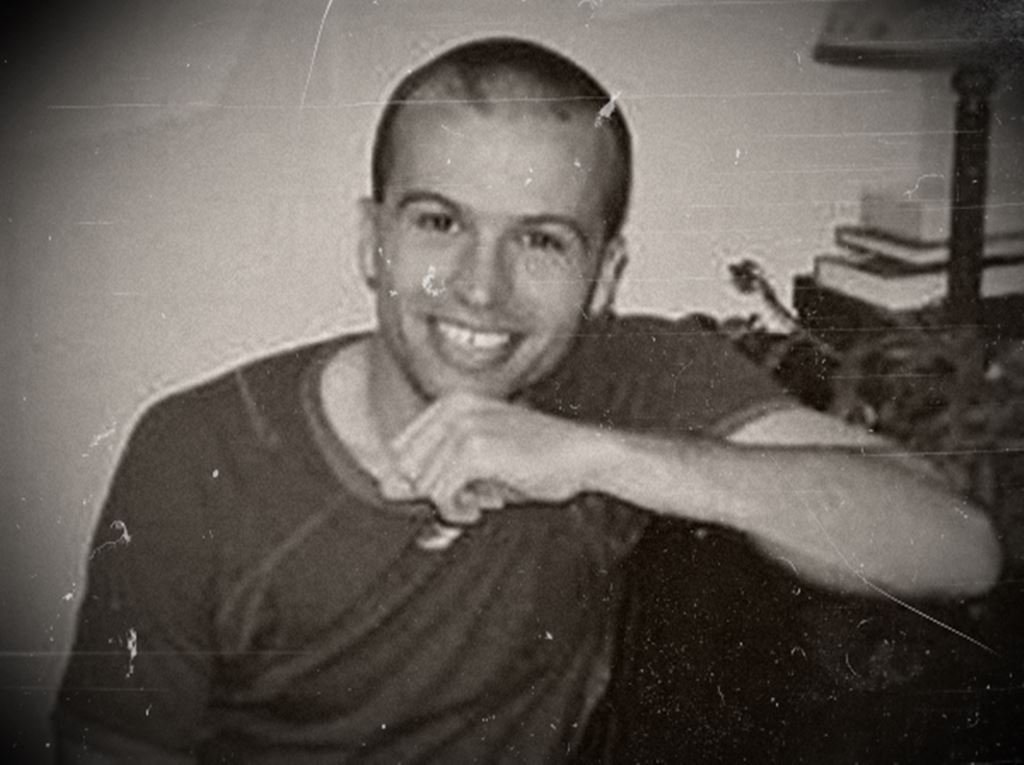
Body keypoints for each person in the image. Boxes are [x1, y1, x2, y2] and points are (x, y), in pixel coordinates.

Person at [54, 36, 1001, 763]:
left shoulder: (623, 375)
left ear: (605, 274)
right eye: (439, 221)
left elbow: (960, 546)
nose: (482, 286)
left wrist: (594, 455)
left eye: (542, 239)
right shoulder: (198, 456)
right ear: (373, 241)